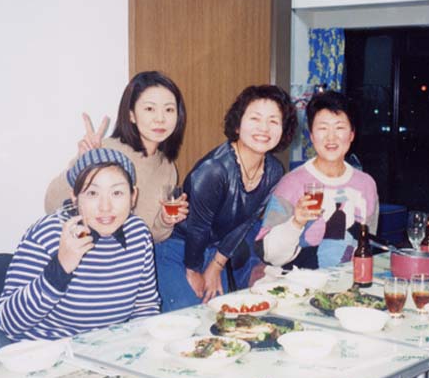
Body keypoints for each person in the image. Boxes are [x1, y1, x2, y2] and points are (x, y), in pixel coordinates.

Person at [155, 85, 297, 311]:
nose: (264, 128)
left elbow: (246, 222)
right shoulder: (214, 170)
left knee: (222, 314)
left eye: (273, 121)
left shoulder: (273, 170)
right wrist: (193, 271)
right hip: (178, 249)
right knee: (188, 313)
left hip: (213, 251)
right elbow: (197, 228)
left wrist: (216, 266)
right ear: (238, 125)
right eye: (255, 118)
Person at [0, 149, 160, 341]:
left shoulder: (138, 233)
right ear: (75, 198)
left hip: (106, 351)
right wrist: (60, 267)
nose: (105, 207)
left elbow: (145, 307)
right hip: (44, 350)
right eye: (92, 193)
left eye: (117, 193)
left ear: (133, 196)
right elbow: (8, 323)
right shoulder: (49, 234)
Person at [45, 71, 189, 242]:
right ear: (131, 115)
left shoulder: (167, 168)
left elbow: (150, 237)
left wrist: (165, 221)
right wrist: (81, 163)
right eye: (150, 109)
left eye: (169, 109)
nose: (160, 118)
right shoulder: (105, 151)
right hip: (89, 250)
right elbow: (51, 205)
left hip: (131, 254)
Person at [256, 90, 379, 270]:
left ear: (352, 134)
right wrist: (296, 222)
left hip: (350, 280)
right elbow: (268, 255)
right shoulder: (292, 183)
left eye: (339, 128)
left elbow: (367, 245)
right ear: (312, 136)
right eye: (323, 128)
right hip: (298, 281)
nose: (331, 137)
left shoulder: (366, 184)